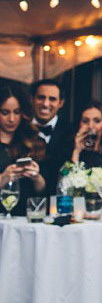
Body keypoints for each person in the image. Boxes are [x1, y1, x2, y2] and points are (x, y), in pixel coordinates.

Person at [0, 85, 46, 215]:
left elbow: (44, 190)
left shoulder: (33, 140)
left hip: (26, 218)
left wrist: (36, 177)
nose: (12, 119)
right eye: (5, 112)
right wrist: (3, 178)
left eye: (16, 112)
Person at [60, 100, 102, 173]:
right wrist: (76, 151)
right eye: (85, 121)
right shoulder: (66, 150)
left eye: (97, 121)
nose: (90, 126)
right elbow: (64, 179)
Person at [30, 79, 71, 193]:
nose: (45, 104)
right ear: (32, 99)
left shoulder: (70, 132)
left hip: (59, 203)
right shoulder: (21, 129)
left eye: (52, 99)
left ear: (61, 103)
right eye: (41, 97)